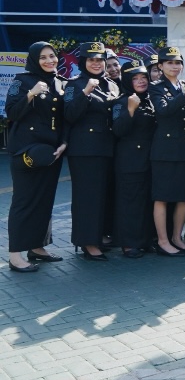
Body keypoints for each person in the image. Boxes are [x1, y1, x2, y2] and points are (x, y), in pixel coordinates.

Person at [5, 42, 68, 273]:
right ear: (34, 60)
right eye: (43, 57)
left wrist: (64, 142)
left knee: (44, 200)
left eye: (52, 56)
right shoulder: (22, 81)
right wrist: (31, 94)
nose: (49, 61)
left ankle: (37, 247)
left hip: (51, 152)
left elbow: (64, 118)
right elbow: (11, 112)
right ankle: (15, 256)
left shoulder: (60, 82)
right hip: (26, 150)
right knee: (24, 201)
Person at [62, 42, 120, 261]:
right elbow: (69, 114)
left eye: (100, 60)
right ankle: (87, 241)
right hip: (85, 150)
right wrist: (85, 92)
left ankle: (100, 235)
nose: (96, 64)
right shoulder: (74, 84)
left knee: (104, 195)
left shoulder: (110, 84)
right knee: (88, 197)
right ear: (83, 62)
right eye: (91, 60)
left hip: (108, 147)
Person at [149, 46, 185, 256]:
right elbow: (163, 111)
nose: (175, 66)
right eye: (169, 63)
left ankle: (177, 237)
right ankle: (163, 241)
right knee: (162, 197)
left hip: (184, 149)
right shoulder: (156, 87)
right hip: (165, 149)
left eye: (178, 62)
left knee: (183, 196)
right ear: (160, 66)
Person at [112, 60, 157, 258]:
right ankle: (129, 244)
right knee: (130, 202)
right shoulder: (121, 101)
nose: (141, 81)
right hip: (130, 160)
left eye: (143, 77)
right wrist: (130, 110)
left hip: (150, 158)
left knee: (147, 201)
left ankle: (145, 240)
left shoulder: (151, 98)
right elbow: (118, 130)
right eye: (135, 78)